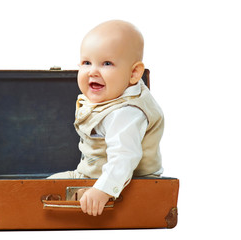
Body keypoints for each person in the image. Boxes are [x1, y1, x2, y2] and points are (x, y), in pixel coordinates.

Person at [48, 20, 164, 216]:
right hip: (88, 176)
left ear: (134, 73)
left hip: (125, 185)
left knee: (41, 191)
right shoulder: (114, 95)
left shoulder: (126, 112)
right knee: (39, 189)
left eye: (107, 63)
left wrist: (102, 190)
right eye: (86, 62)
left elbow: (124, 157)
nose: (93, 71)